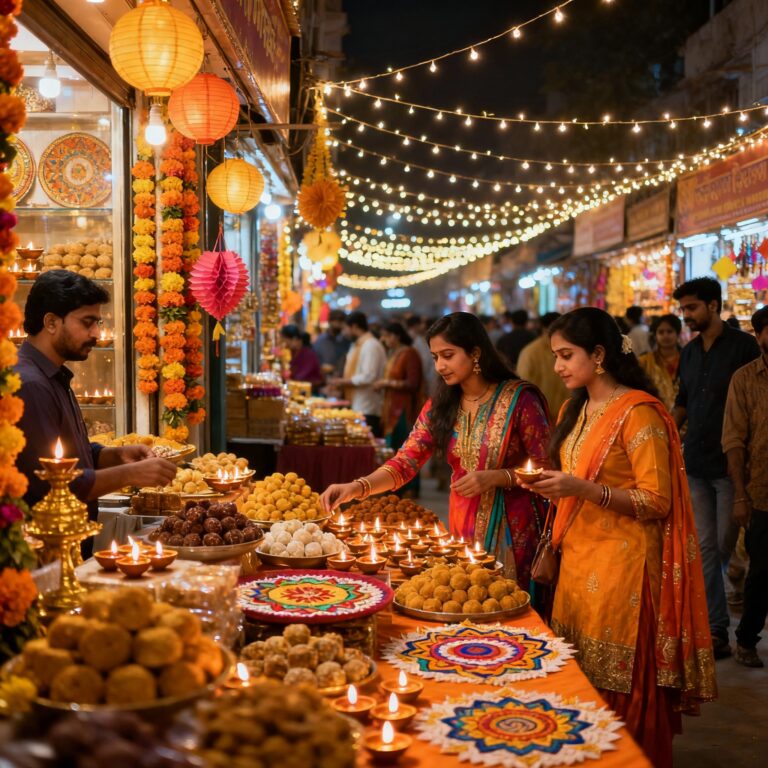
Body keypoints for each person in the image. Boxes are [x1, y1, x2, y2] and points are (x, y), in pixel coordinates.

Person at [520, 307, 716, 768]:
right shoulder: (576, 407)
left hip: (624, 575)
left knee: (618, 684)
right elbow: (575, 475)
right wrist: (550, 482)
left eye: (566, 355)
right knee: (579, 680)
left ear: (600, 354)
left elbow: (657, 501)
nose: (558, 367)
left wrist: (583, 489)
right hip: (576, 564)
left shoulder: (639, 413)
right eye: (555, 356)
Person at [321, 312, 551, 588]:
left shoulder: (520, 400)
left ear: (475, 352)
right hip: (461, 522)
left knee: (507, 606)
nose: (440, 365)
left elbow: (548, 469)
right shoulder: (442, 404)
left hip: (514, 529)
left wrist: (499, 477)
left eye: (448, 355)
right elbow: (405, 462)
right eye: (435, 357)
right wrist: (356, 487)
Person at [15, 271, 178, 531]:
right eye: (87, 322)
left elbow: (67, 455)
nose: (96, 334)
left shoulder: (52, 375)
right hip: (50, 549)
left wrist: (113, 456)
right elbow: (50, 484)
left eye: (97, 323)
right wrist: (131, 474)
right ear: (51, 322)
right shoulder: (30, 384)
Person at [672, 277, 760, 659]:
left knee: (723, 544)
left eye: (692, 308)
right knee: (706, 547)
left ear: (712, 305)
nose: (686, 315)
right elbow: (683, 400)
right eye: (684, 309)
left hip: (731, 467)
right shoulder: (690, 352)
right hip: (695, 462)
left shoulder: (744, 348)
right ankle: (716, 630)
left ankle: (718, 611)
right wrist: (663, 432)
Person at [722, 306, 768, 668]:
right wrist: (740, 494)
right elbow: (734, 440)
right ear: (759, 335)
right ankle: (747, 639)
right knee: (762, 572)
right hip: (761, 493)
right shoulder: (745, 379)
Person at [374, 322, 424, 496]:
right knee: (395, 447)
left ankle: (409, 488)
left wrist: (387, 383)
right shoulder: (395, 353)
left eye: (386, 335)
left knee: (407, 449)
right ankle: (396, 486)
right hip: (392, 406)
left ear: (395, 335)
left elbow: (413, 383)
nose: (383, 339)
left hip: (403, 409)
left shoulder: (409, 354)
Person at [328, 311, 387, 437]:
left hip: (368, 406)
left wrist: (342, 382)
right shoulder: (357, 344)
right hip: (358, 403)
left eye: (345, 328)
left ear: (354, 327)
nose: (344, 332)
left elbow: (368, 376)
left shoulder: (371, 345)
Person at [516, 311, 568, 417]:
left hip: (542, 415)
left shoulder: (529, 351)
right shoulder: (531, 352)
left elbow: (520, 386)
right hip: (544, 417)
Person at [637, 313, 682, 412]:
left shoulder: (688, 359)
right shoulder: (645, 361)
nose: (665, 336)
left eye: (670, 331)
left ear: (678, 334)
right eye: (661, 332)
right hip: (655, 415)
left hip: (685, 421)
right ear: (655, 335)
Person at [280, 325, 323, 389]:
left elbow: (299, 377)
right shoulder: (291, 353)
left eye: (285, 342)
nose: (284, 345)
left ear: (294, 339)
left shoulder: (308, 355)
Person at [313, 309, 350, 378]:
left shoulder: (346, 341)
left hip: (340, 380)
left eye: (341, 322)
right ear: (330, 321)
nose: (339, 325)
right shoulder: (321, 340)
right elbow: (314, 360)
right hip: (322, 379)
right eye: (337, 321)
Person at [405, 314, 435, 394]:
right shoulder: (416, 341)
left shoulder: (424, 340)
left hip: (432, 378)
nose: (423, 326)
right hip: (425, 379)